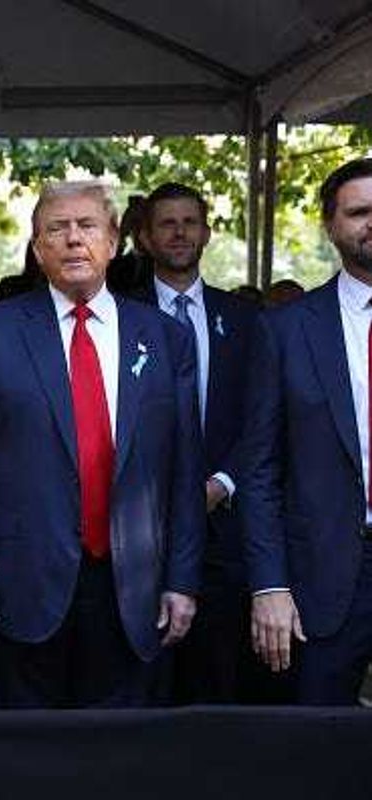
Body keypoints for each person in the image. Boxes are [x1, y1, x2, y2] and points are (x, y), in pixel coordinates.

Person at [0, 180, 205, 708]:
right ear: (38, 249)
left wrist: (183, 579)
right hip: (20, 585)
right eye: (56, 229)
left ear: (113, 241)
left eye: (87, 226)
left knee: (120, 762)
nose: (72, 240)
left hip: (134, 587)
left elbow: (183, 469)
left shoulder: (163, 337)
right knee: (24, 761)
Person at [129, 182, 270, 703]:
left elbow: (261, 422)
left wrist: (223, 482)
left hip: (225, 522)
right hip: (140, 523)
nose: (180, 232)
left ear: (207, 232)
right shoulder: (120, 317)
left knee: (220, 673)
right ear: (145, 237)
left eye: (190, 221)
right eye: (167, 223)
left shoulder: (248, 320)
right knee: (149, 670)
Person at [242, 158, 372, 705]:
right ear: (330, 224)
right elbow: (259, 470)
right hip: (323, 579)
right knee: (319, 753)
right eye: (360, 212)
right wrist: (269, 585)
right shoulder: (286, 330)